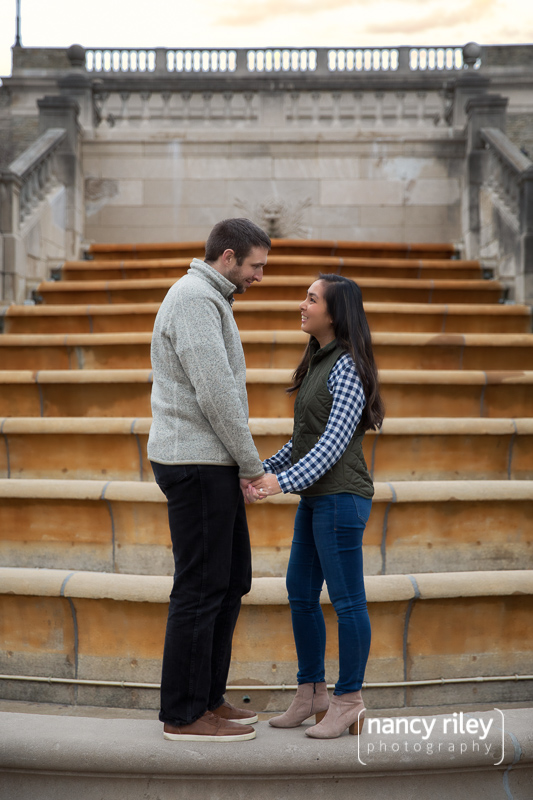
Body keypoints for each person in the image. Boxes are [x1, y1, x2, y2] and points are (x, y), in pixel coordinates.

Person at [148, 218, 271, 742]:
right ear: (228, 257)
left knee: (230, 581)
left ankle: (207, 698)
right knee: (200, 588)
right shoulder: (197, 299)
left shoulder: (209, 296)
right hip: (196, 463)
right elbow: (216, 394)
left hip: (209, 462)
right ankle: (182, 713)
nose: (260, 276)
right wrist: (252, 464)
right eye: (256, 266)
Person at [249, 273, 385, 739]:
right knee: (300, 593)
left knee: (348, 602)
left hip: (341, 500)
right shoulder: (317, 362)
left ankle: (349, 701)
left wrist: (278, 483)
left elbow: (331, 445)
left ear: (334, 312)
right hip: (316, 499)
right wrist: (260, 469)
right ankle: (312, 694)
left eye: (311, 299)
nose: (301, 305)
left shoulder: (347, 365)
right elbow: (302, 441)